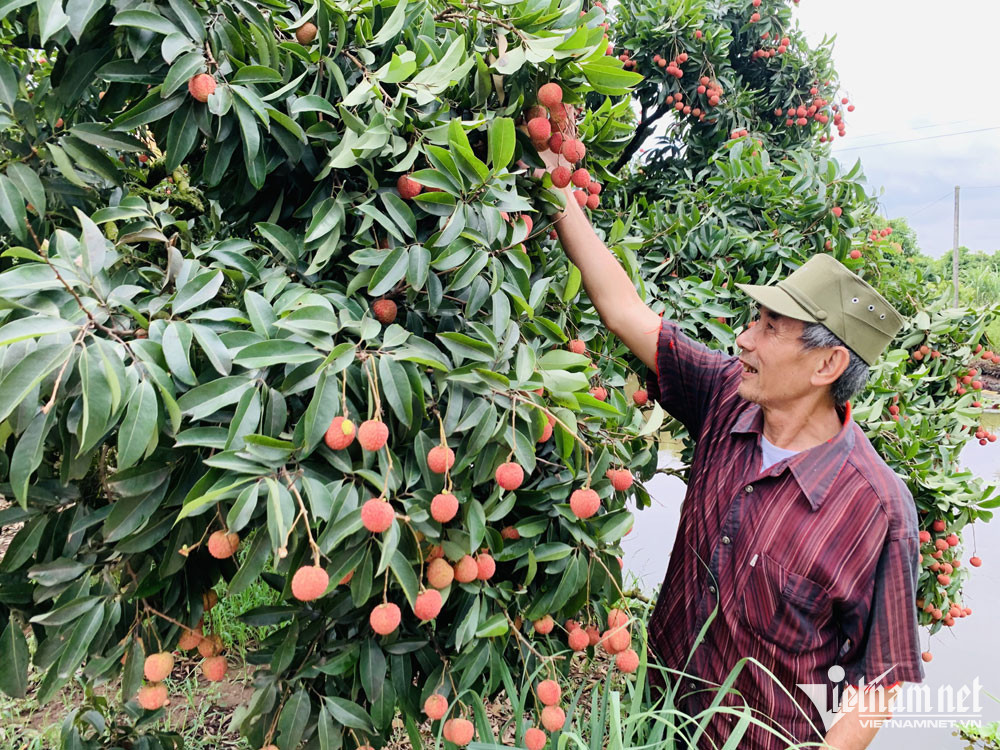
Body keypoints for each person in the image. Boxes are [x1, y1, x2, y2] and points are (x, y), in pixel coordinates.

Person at [536, 149, 924, 750]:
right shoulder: (727, 397)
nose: (743, 338)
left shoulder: (878, 509)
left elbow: (880, 680)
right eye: (753, 320)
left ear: (828, 363)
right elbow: (625, 313)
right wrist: (551, 182)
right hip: (657, 723)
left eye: (769, 327)